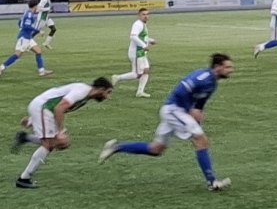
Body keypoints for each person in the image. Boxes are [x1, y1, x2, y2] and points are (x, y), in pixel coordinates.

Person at [97, 53, 234, 192]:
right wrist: (188, 111)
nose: (231, 70)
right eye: (227, 67)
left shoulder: (213, 83)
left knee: (156, 149)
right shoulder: (203, 77)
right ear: (217, 66)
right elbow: (182, 90)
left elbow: (199, 105)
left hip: (175, 112)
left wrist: (197, 114)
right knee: (201, 140)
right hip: (174, 110)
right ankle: (212, 182)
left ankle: (116, 147)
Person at [10, 77, 114, 189]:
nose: (108, 97)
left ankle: (26, 137)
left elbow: (55, 102)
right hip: (43, 108)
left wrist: (32, 119)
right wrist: (60, 131)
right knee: (49, 145)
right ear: (101, 89)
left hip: (43, 108)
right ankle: (24, 179)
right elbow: (59, 108)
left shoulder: (86, 95)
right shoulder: (82, 91)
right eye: (108, 92)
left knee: (63, 144)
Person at [112, 7, 156, 97]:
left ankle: (140, 92)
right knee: (137, 74)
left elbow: (141, 37)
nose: (146, 16)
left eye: (147, 14)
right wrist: (144, 45)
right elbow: (133, 36)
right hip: (136, 52)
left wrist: (150, 40)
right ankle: (117, 77)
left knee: (146, 70)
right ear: (139, 15)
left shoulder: (143, 24)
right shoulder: (138, 24)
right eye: (144, 14)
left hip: (141, 52)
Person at [0, 7, 52, 77]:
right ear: (35, 7)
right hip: (24, 38)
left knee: (38, 51)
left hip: (28, 38)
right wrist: (38, 31)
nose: (38, 8)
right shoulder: (29, 14)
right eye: (37, 7)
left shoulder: (27, 13)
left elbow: (20, 23)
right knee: (17, 54)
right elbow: (26, 26)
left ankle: (41, 71)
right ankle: (1, 67)